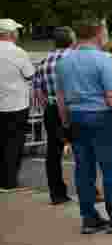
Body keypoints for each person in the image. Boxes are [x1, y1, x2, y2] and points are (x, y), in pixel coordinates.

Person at [55, 22, 112, 234]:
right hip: (100, 117)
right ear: (98, 35)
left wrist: (66, 122)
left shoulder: (64, 61)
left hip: (76, 116)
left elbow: (60, 98)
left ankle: (89, 218)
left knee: (83, 170)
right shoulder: (103, 60)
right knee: (111, 170)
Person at [31, 26, 76, 203]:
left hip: (51, 107)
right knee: (83, 149)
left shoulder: (44, 62)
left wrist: (48, 106)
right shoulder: (73, 59)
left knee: (53, 152)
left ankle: (57, 193)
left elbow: (37, 91)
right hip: (72, 107)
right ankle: (90, 190)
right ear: (71, 40)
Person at [0, 18, 35, 191]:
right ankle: (9, 181)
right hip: (16, 104)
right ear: (11, 34)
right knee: (14, 143)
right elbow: (30, 74)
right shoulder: (18, 52)